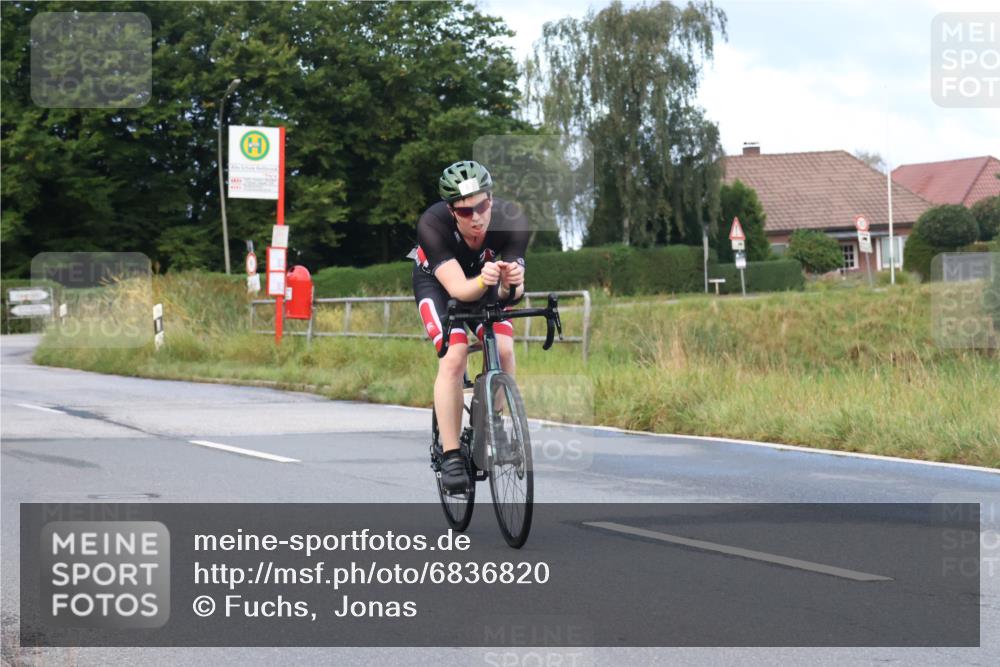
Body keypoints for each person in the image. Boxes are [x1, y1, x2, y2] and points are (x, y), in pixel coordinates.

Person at [410, 160, 529, 491]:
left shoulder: (512, 221)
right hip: (439, 286)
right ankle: (450, 455)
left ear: (491, 199)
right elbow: (460, 290)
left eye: (482, 206)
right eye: (465, 212)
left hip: (485, 283)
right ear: (451, 211)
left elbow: (512, 296)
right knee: (455, 355)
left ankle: (496, 426)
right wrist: (485, 281)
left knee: (504, 350)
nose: (476, 217)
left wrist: (511, 284)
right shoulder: (432, 224)